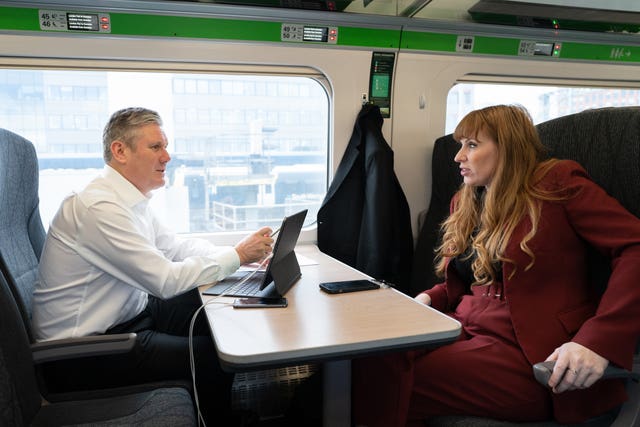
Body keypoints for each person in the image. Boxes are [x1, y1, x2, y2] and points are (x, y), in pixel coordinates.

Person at [352, 104, 640, 426]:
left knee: (393, 383)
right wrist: (429, 299)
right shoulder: (467, 200)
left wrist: (597, 341)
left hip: (529, 352)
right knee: (371, 359)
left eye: (472, 145)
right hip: (462, 327)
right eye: (460, 145)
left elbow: (635, 248)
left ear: (508, 148)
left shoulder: (557, 182)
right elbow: (468, 280)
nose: (458, 157)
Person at [32, 107, 275, 425]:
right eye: (156, 147)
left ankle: (219, 413)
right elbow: (164, 280)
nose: (168, 157)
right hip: (84, 354)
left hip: (129, 318)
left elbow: (175, 248)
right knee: (213, 354)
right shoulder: (98, 208)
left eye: (166, 146)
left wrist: (238, 255)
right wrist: (238, 256)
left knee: (218, 309)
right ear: (120, 150)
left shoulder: (129, 201)